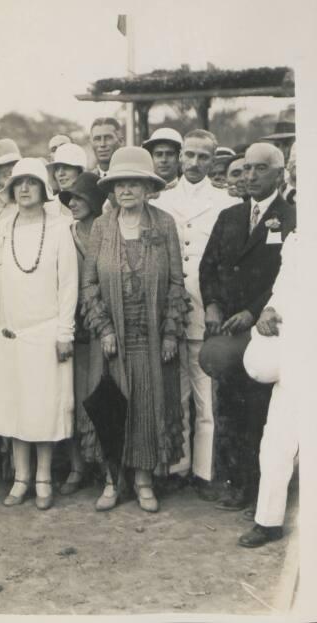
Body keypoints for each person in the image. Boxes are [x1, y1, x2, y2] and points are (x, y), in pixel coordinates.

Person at [81, 146, 188, 513]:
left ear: (148, 188)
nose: (126, 191)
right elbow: (89, 284)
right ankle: (113, 481)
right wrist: (105, 329)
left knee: (146, 405)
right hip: (112, 339)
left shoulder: (163, 224)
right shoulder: (101, 226)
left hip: (151, 336)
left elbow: (176, 282)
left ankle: (144, 481)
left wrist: (172, 332)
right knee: (111, 405)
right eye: (120, 184)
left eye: (134, 184)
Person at [200, 142, 296, 515]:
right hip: (227, 326)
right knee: (228, 404)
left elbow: (287, 277)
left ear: (278, 174)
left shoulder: (292, 217)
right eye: (246, 169)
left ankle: (264, 488)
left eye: (260, 169)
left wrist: (253, 312)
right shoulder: (229, 217)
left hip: (267, 329)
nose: (251, 176)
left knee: (261, 408)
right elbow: (208, 266)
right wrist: (212, 305)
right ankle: (235, 482)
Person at [0, 158, 77, 511]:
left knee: (43, 409)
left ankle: (43, 477)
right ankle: (20, 477)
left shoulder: (60, 229)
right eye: (18, 183)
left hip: (46, 332)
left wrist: (64, 332)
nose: (24, 189)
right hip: (10, 333)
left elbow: (68, 285)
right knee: (15, 409)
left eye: (32, 182)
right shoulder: (3, 227)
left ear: (43, 190)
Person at [153, 129, 236, 500]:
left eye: (204, 157)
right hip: (171, 309)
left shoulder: (224, 202)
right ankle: (178, 466)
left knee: (205, 396)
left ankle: (203, 471)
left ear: (213, 160)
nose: (194, 163)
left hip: (205, 309)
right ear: (180, 156)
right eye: (189, 155)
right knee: (176, 392)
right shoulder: (163, 200)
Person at [238, 231, 299, 548]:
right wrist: (269, 310)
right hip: (294, 349)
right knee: (276, 439)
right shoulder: (299, 238)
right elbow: (283, 286)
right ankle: (269, 521)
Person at [56, 172, 107, 495]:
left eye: (79, 197)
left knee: (100, 395)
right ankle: (77, 467)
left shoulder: (108, 232)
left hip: (103, 326)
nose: (72, 204)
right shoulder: (65, 234)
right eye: (68, 198)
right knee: (72, 398)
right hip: (72, 327)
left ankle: (105, 467)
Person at [46, 142, 87, 219]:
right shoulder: (48, 205)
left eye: (67, 167)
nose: (60, 174)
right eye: (57, 168)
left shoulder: (91, 203)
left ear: (79, 170)